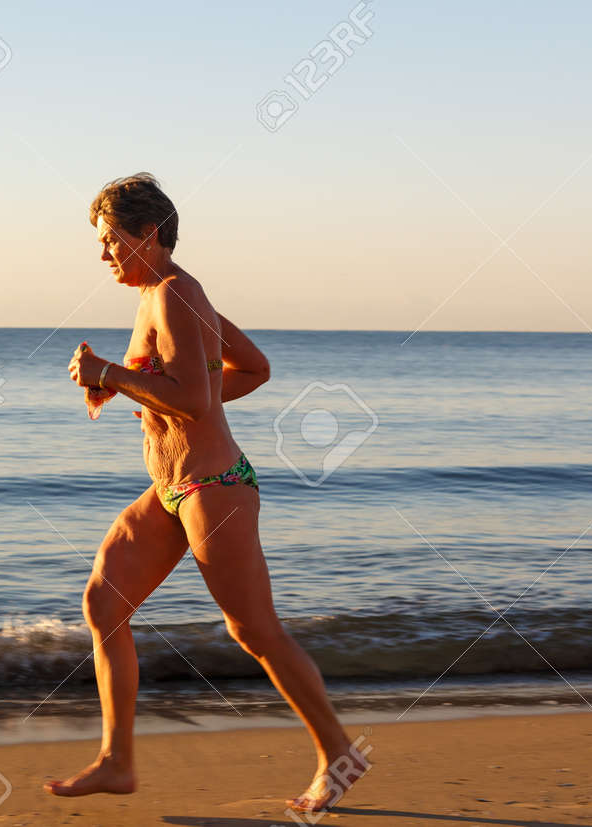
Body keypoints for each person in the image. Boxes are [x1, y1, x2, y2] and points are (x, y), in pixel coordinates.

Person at [48, 173, 364, 811]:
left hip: (212, 487)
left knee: (255, 631)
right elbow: (252, 369)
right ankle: (117, 760)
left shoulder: (175, 294)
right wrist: (134, 391)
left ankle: (339, 755)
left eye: (110, 240)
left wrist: (110, 372)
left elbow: (194, 399)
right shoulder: (162, 298)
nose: (102, 254)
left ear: (149, 233)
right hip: (171, 490)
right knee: (105, 603)